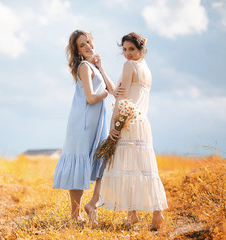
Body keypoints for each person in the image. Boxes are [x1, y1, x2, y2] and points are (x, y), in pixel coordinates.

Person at [98, 32, 168, 231]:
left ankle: (145, 214)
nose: (127, 54)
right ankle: (143, 214)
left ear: (141, 50)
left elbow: (123, 98)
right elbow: (125, 94)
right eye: (125, 49)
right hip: (142, 122)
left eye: (132, 49)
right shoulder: (146, 69)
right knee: (144, 169)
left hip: (128, 122)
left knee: (130, 167)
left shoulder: (129, 66)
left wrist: (113, 123)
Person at [52, 30, 116, 222]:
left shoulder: (93, 67)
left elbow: (113, 90)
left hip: (96, 122)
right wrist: (104, 94)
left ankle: (90, 205)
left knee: (101, 159)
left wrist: (102, 67)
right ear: (77, 50)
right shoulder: (83, 67)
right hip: (84, 123)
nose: (88, 46)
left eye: (88, 42)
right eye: (82, 45)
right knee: (80, 163)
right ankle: (75, 214)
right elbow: (91, 97)